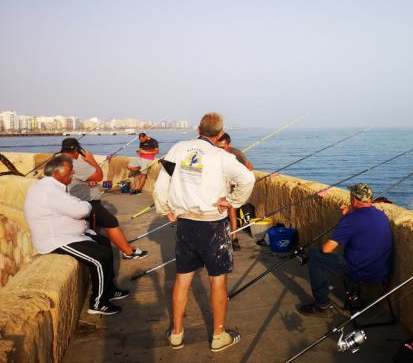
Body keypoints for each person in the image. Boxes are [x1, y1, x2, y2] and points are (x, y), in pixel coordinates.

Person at [153, 112, 255, 352]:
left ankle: (177, 333)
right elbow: (247, 180)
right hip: (213, 226)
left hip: (185, 224)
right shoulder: (222, 156)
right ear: (220, 133)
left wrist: (166, 208)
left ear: (198, 128)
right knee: (217, 281)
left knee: (182, 278)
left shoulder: (178, 149)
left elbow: (162, 182)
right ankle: (218, 335)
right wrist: (231, 200)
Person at [24, 156, 129, 315]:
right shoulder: (49, 191)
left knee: (103, 242)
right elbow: (81, 210)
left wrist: (79, 206)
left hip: (69, 235)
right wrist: (86, 204)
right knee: (99, 257)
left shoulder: (52, 186)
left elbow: (72, 205)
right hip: (57, 240)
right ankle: (98, 303)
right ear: (56, 173)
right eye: (69, 171)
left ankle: (109, 290)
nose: (72, 173)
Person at [298, 183, 393, 317]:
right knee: (351, 253)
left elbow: (327, 249)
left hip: (360, 271)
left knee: (315, 256)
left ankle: (321, 305)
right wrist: (348, 218)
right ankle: (355, 295)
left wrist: (346, 219)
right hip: (383, 272)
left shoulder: (351, 220)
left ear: (354, 199)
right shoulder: (381, 215)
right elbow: (361, 227)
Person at [60, 138, 148, 260]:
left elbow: (76, 179)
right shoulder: (76, 164)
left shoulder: (59, 162)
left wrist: (88, 180)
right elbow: (99, 175)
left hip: (73, 201)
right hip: (87, 203)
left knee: (95, 229)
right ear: (77, 150)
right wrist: (92, 161)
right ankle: (129, 252)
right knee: (111, 222)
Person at [216, 132, 254, 251]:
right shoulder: (215, 153)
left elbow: (249, 167)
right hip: (219, 186)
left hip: (232, 187)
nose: (219, 150)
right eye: (217, 147)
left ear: (229, 144)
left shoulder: (236, 153)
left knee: (232, 212)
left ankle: (234, 239)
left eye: (222, 147)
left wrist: (236, 180)